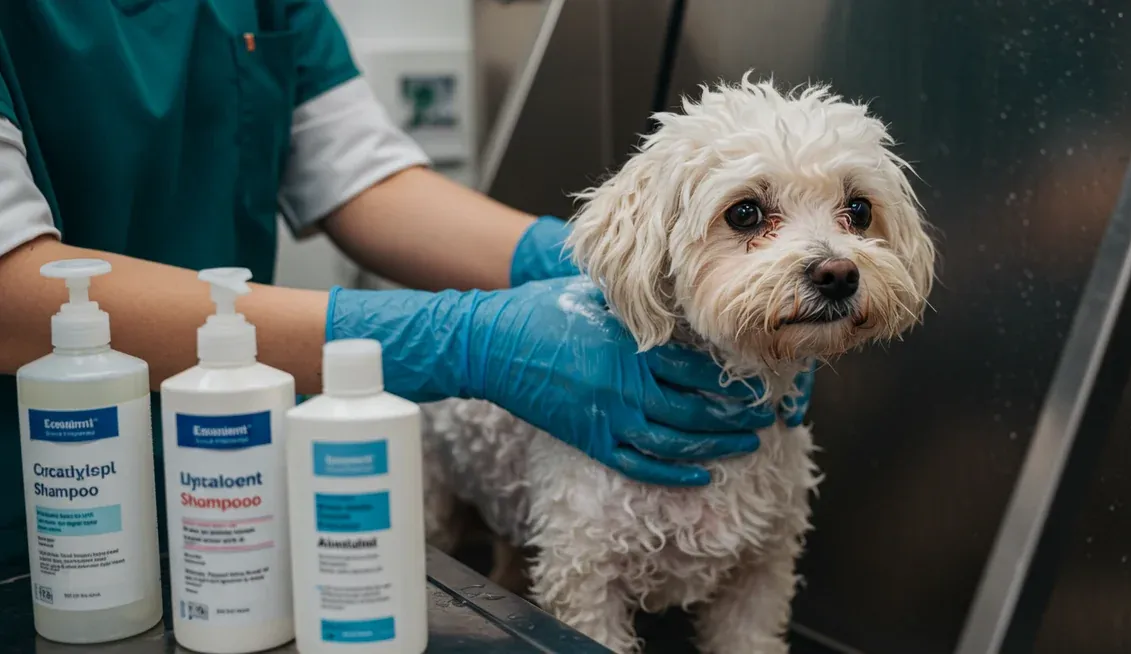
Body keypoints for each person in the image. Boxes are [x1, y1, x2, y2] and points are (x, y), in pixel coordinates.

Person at [0, 1, 811, 566]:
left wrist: (602, 261)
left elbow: (364, 181)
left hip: (224, 487)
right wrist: (459, 340)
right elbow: (13, 297)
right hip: (33, 515)